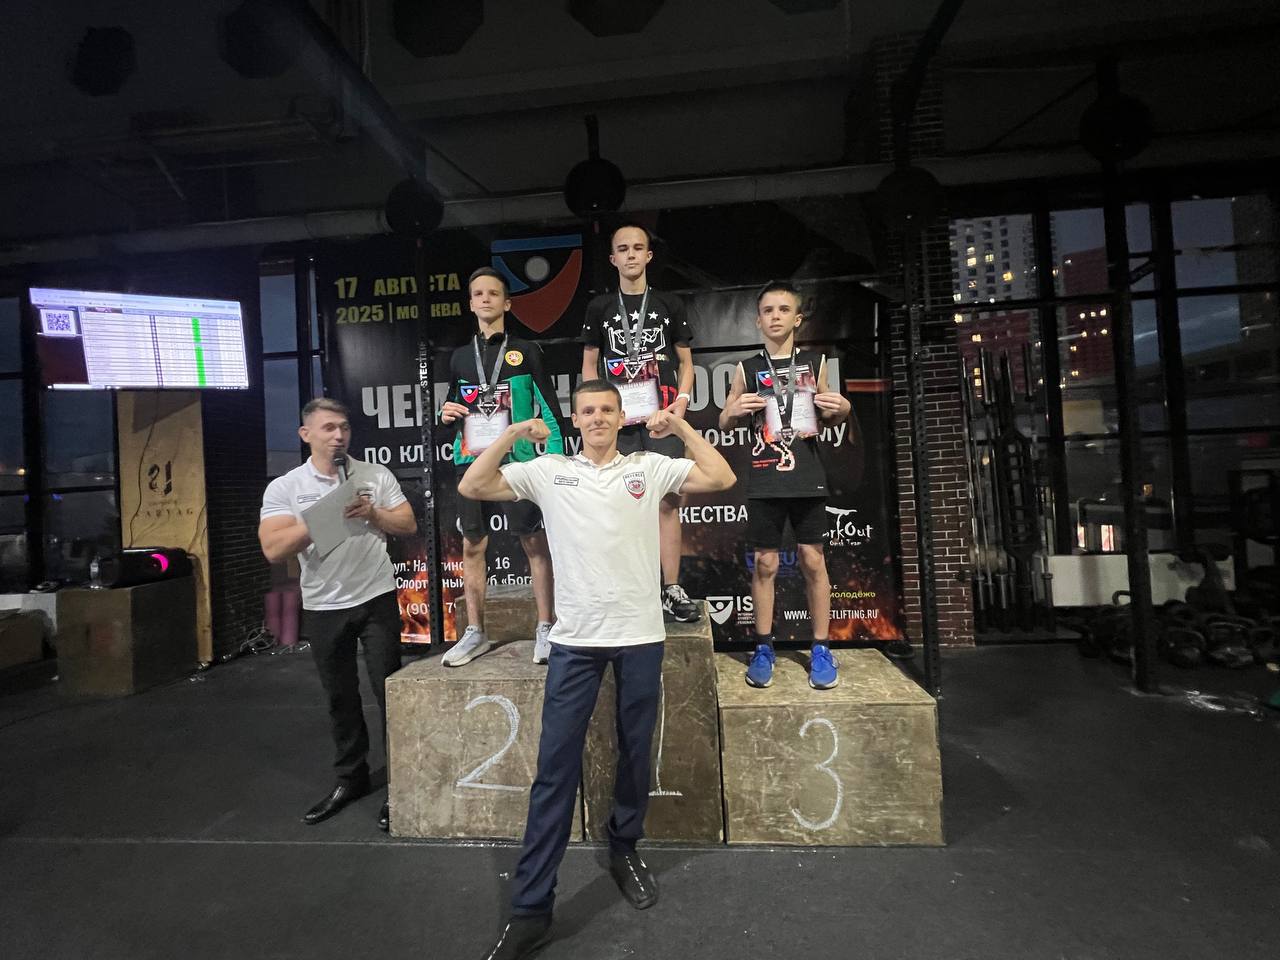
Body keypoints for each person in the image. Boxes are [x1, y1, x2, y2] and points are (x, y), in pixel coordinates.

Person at [458, 380, 735, 960]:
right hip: (575, 643)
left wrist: (681, 428)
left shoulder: (647, 467)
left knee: (635, 753)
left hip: (639, 637)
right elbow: (473, 485)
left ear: (620, 415)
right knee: (554, 770)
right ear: (576, 419)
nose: (599, 418)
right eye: (588, 410)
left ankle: (624, 847)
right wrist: (514, 431)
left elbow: (721, 477)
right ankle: (531, 909)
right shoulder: (550, 471)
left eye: (607, 409)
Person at [258, 398, 418, 831]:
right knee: (340, 697)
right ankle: (351, 778)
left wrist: (374, 513)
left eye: (344, 427)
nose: (338, 436)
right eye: (328, 428)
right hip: (324, 605)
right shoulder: (286, 487)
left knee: (389, 693)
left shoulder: (374, 475)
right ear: (306, 434)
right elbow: (273, 548)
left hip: (376, 598)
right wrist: (322, 516)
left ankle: (402, 785)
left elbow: (408, 524)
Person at [719, 281, 851, 690]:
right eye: (768, 310)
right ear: (758, 321)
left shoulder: (815, 361)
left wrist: (842, 408)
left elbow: (830, 412)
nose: (775, 316)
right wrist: (733, 410)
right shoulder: (746, 368)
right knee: (765, 564)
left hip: (807, 476)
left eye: (783, 309)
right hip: (764, 475)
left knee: (813, 560)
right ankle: (763, 647)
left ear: (797, 318)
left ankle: (821, 648)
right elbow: (725, 420)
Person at [440, 266, 565, 666]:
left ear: (507, 303)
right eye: (478, 293)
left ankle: (545, 626)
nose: (486, 299)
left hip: (519, 461)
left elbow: (550, 406)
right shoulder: (460, 358)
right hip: (472, 461)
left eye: (493, 293)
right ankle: (475, 632)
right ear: (470, 303)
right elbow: (452, 409)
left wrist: (555, 455)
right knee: (472, 543)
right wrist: (445, 415)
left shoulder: (526, 350)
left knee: (533, 541)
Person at [580, 222, 700, 623]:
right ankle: (626, 588)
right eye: (623, 249)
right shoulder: (599, 307)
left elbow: (686, 363)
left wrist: (681, 403)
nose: (630, 254)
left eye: (637, 248)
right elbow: (590, 365)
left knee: (668, 502)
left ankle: (671, 588)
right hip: (620, 422)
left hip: (661, 417)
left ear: (648, 256)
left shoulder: (669, 304)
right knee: (618, 503)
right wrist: (596, 412)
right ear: (613, 258)